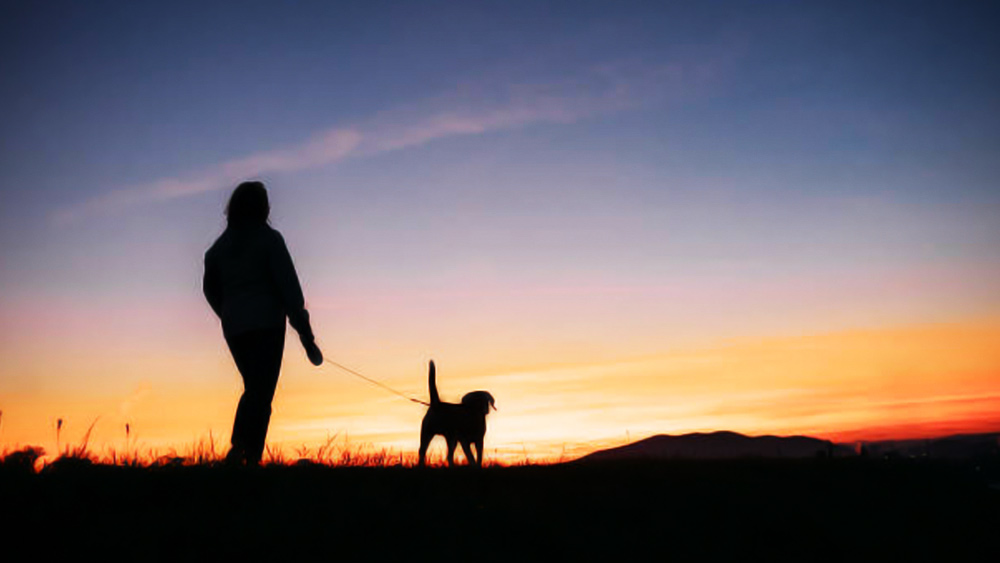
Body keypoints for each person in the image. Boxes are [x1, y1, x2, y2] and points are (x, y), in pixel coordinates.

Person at [203, 181, 323, 466]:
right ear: (262, 207)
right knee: (261, 390)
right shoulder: (269, 240)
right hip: (267, 324)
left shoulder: (218, 249)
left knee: (255, 387)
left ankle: (247, 454)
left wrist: (226, 313)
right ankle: (243, 452)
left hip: (235, 328)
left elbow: (209, 289)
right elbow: (290, 289)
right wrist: (306, 336)